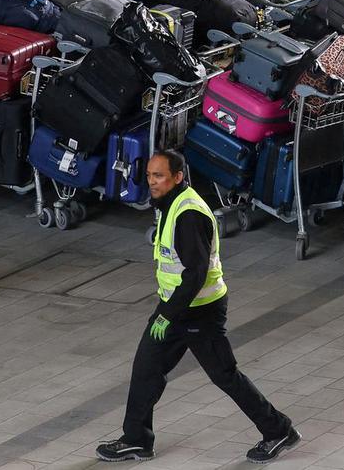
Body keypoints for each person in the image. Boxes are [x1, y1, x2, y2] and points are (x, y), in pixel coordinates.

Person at [96, 150, 300, 464]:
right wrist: (168, 310)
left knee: (225, 375)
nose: (152, 182)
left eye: (159, 176)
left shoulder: (188, 214)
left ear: (178, 177)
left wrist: (166, 313)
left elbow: (195, 273)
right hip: (177, 309)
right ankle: (136, 440)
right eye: (150, 175)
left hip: (200, 311)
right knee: (146, 368)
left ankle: (279, 430)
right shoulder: (171, 204)